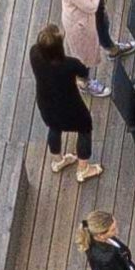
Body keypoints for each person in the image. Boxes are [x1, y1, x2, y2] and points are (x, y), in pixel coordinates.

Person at [28, 24, 104, 182]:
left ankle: (58, 161)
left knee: (54, 127)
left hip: (46, 104)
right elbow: (84, 72)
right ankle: (83, 169)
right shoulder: (69, 64)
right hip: (70, 107)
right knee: (84, 128)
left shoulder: (34, 54)